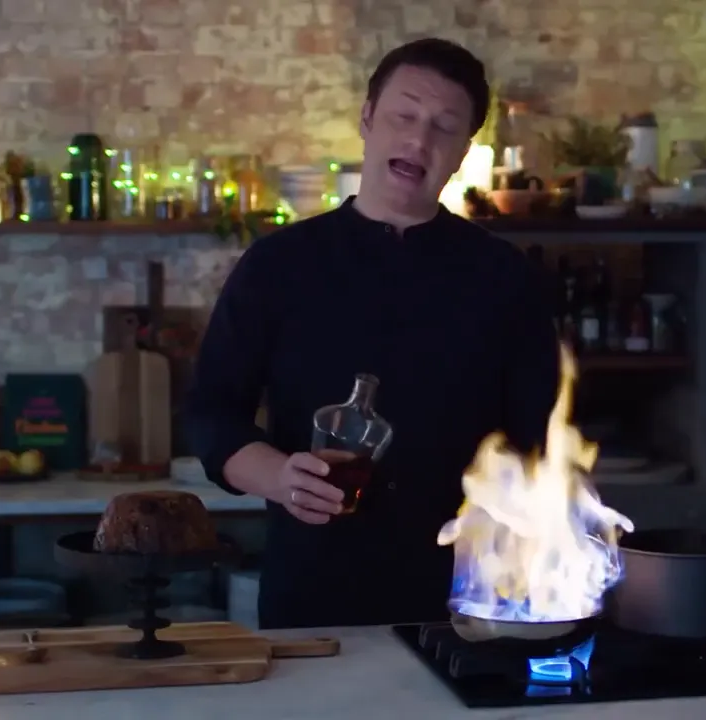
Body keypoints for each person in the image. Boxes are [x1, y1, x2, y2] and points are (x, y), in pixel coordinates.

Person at [184, 38, 560, 629]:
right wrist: (280, 477)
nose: (419, 141)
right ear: (366, 120)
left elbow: (537, 442)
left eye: (444, 127)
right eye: (403, 116)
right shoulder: (279, 264)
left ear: (463, 151)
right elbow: (211, 415)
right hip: (313, 592)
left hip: (464, 598)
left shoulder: (506, 278)